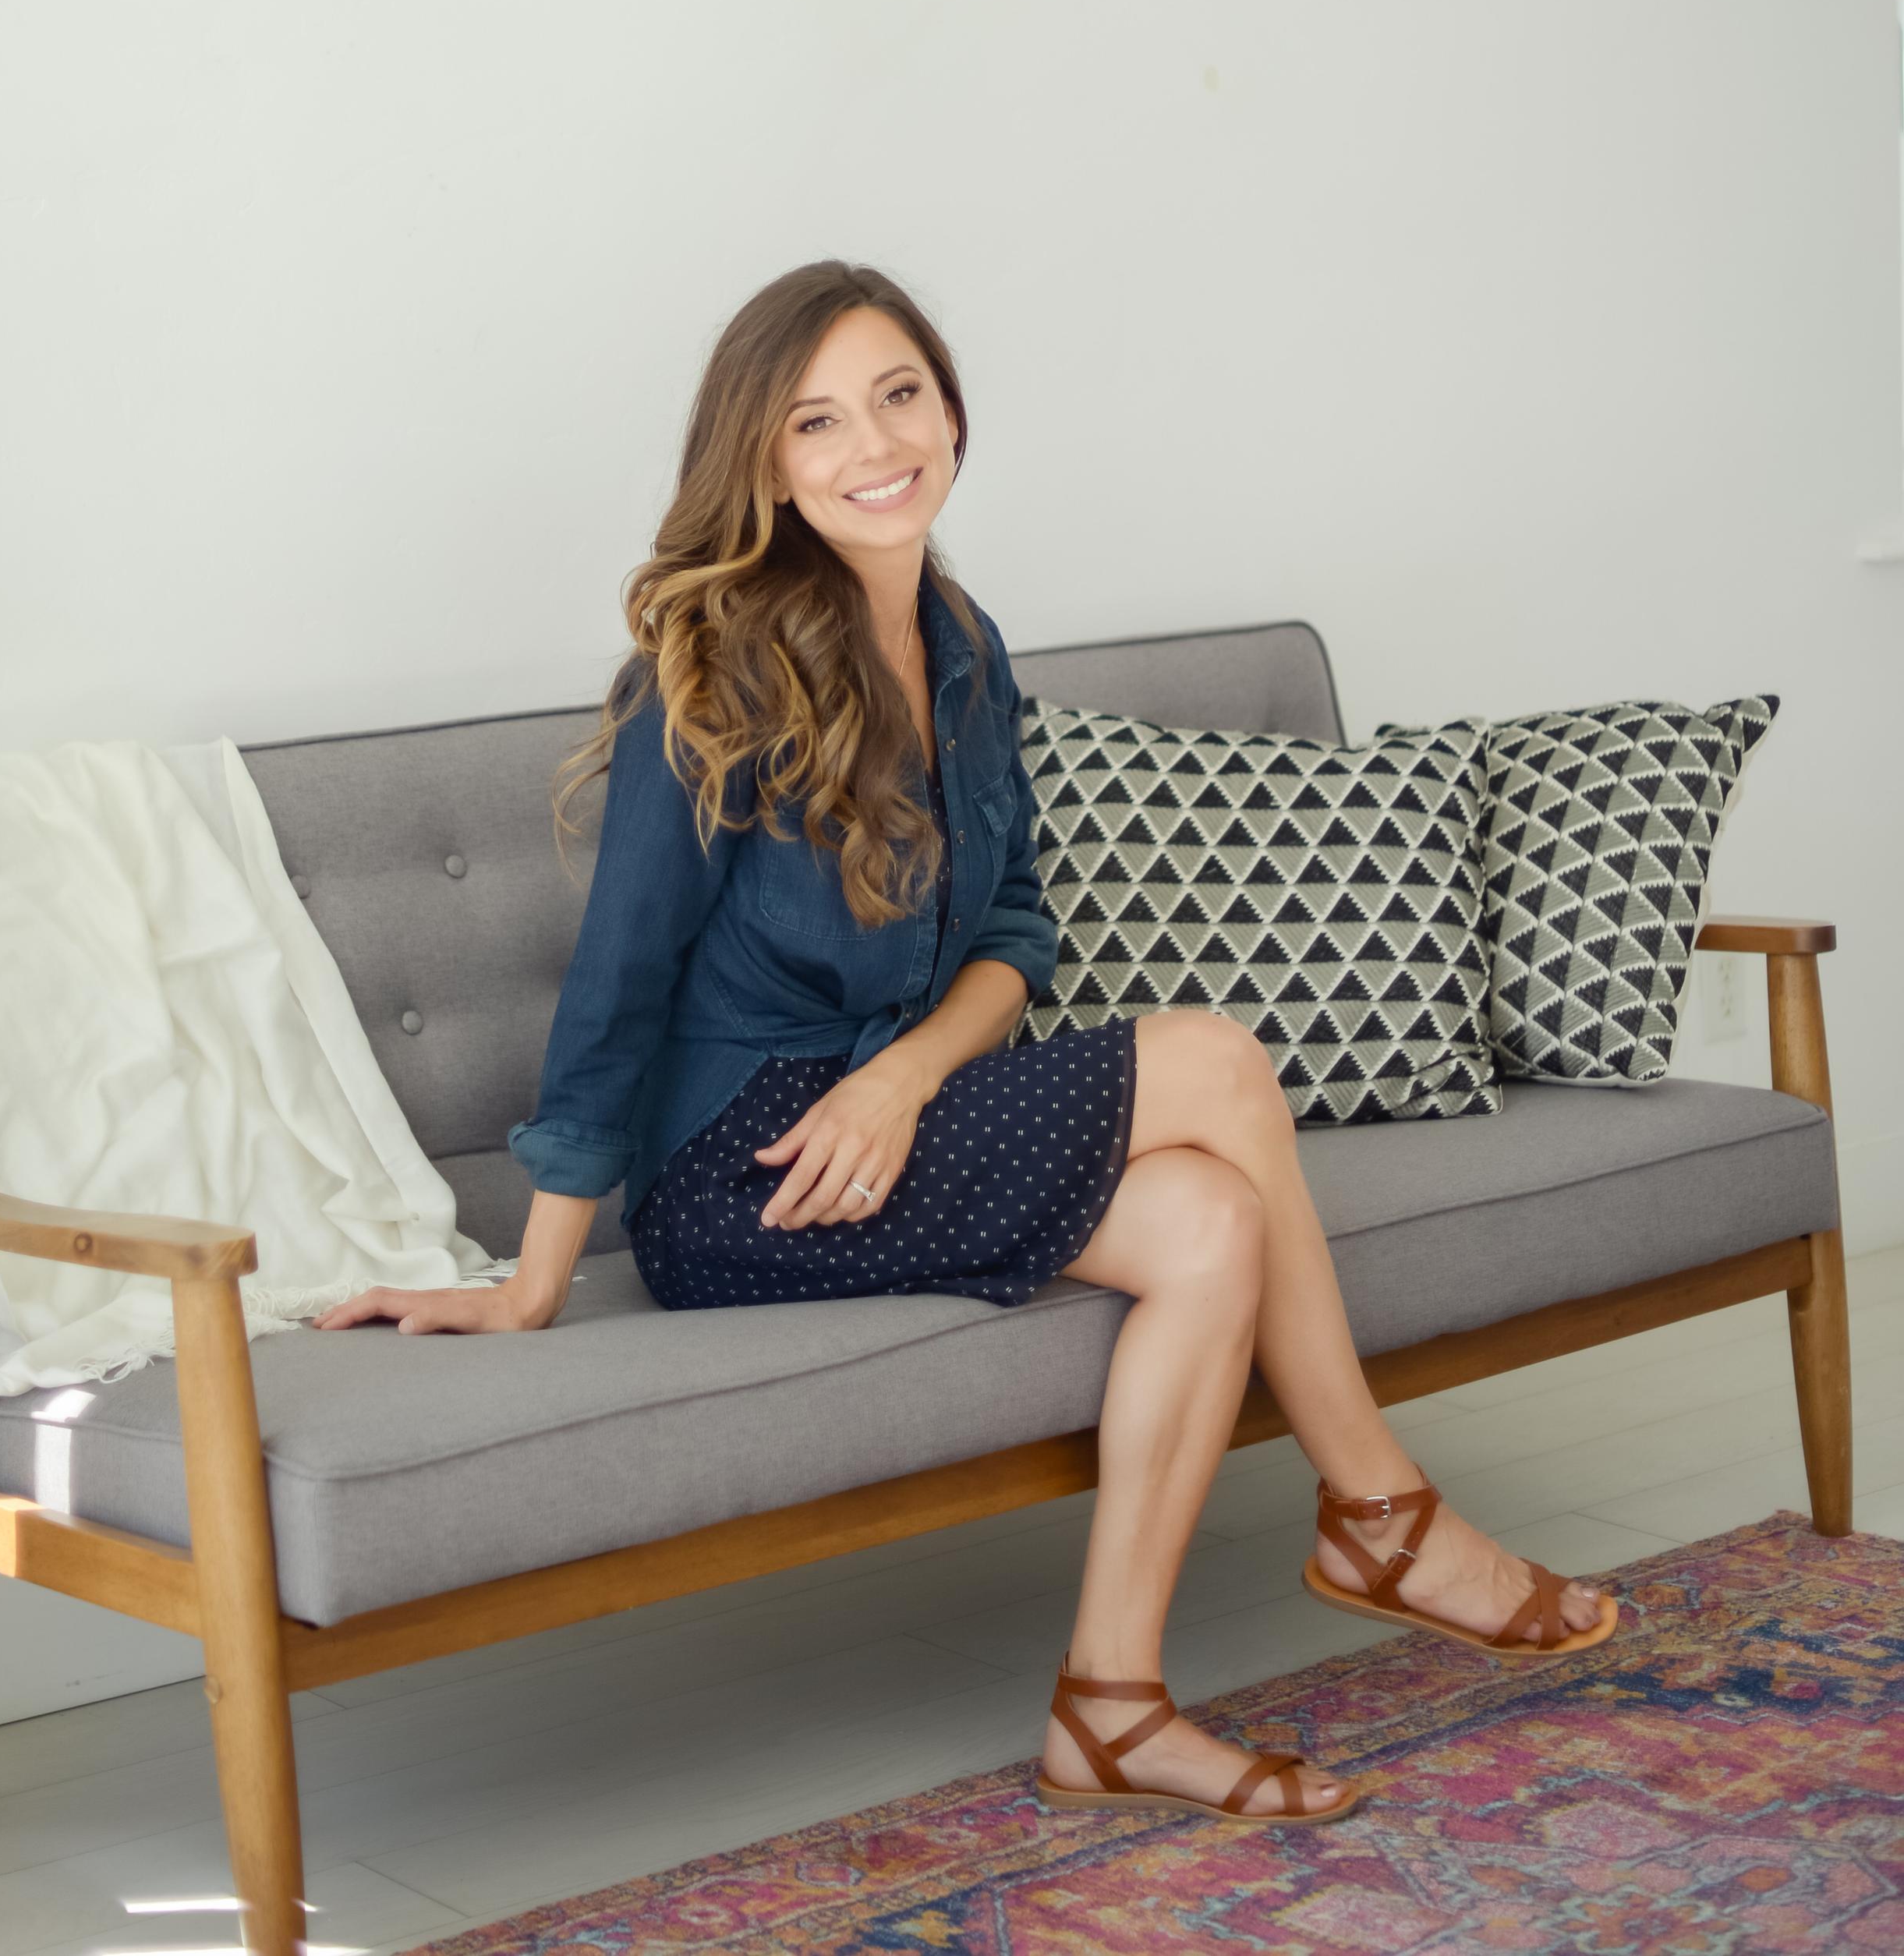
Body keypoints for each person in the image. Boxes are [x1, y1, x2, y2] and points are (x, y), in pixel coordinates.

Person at [315, 260, 1617, 1827]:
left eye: (900, 395)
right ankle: (1382, 1515)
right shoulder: (704, 677)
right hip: (744, 1174)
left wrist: (903, 1073)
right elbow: (617, 985)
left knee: (1211, 1220)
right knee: (1215, 1062)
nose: (875, 443)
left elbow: (1014, 934)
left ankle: (1112, 1708)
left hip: (885, 1115)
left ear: (949, 409)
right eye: (817, 421)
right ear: (765, 464)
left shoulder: (965, 648)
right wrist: (533, 1284)